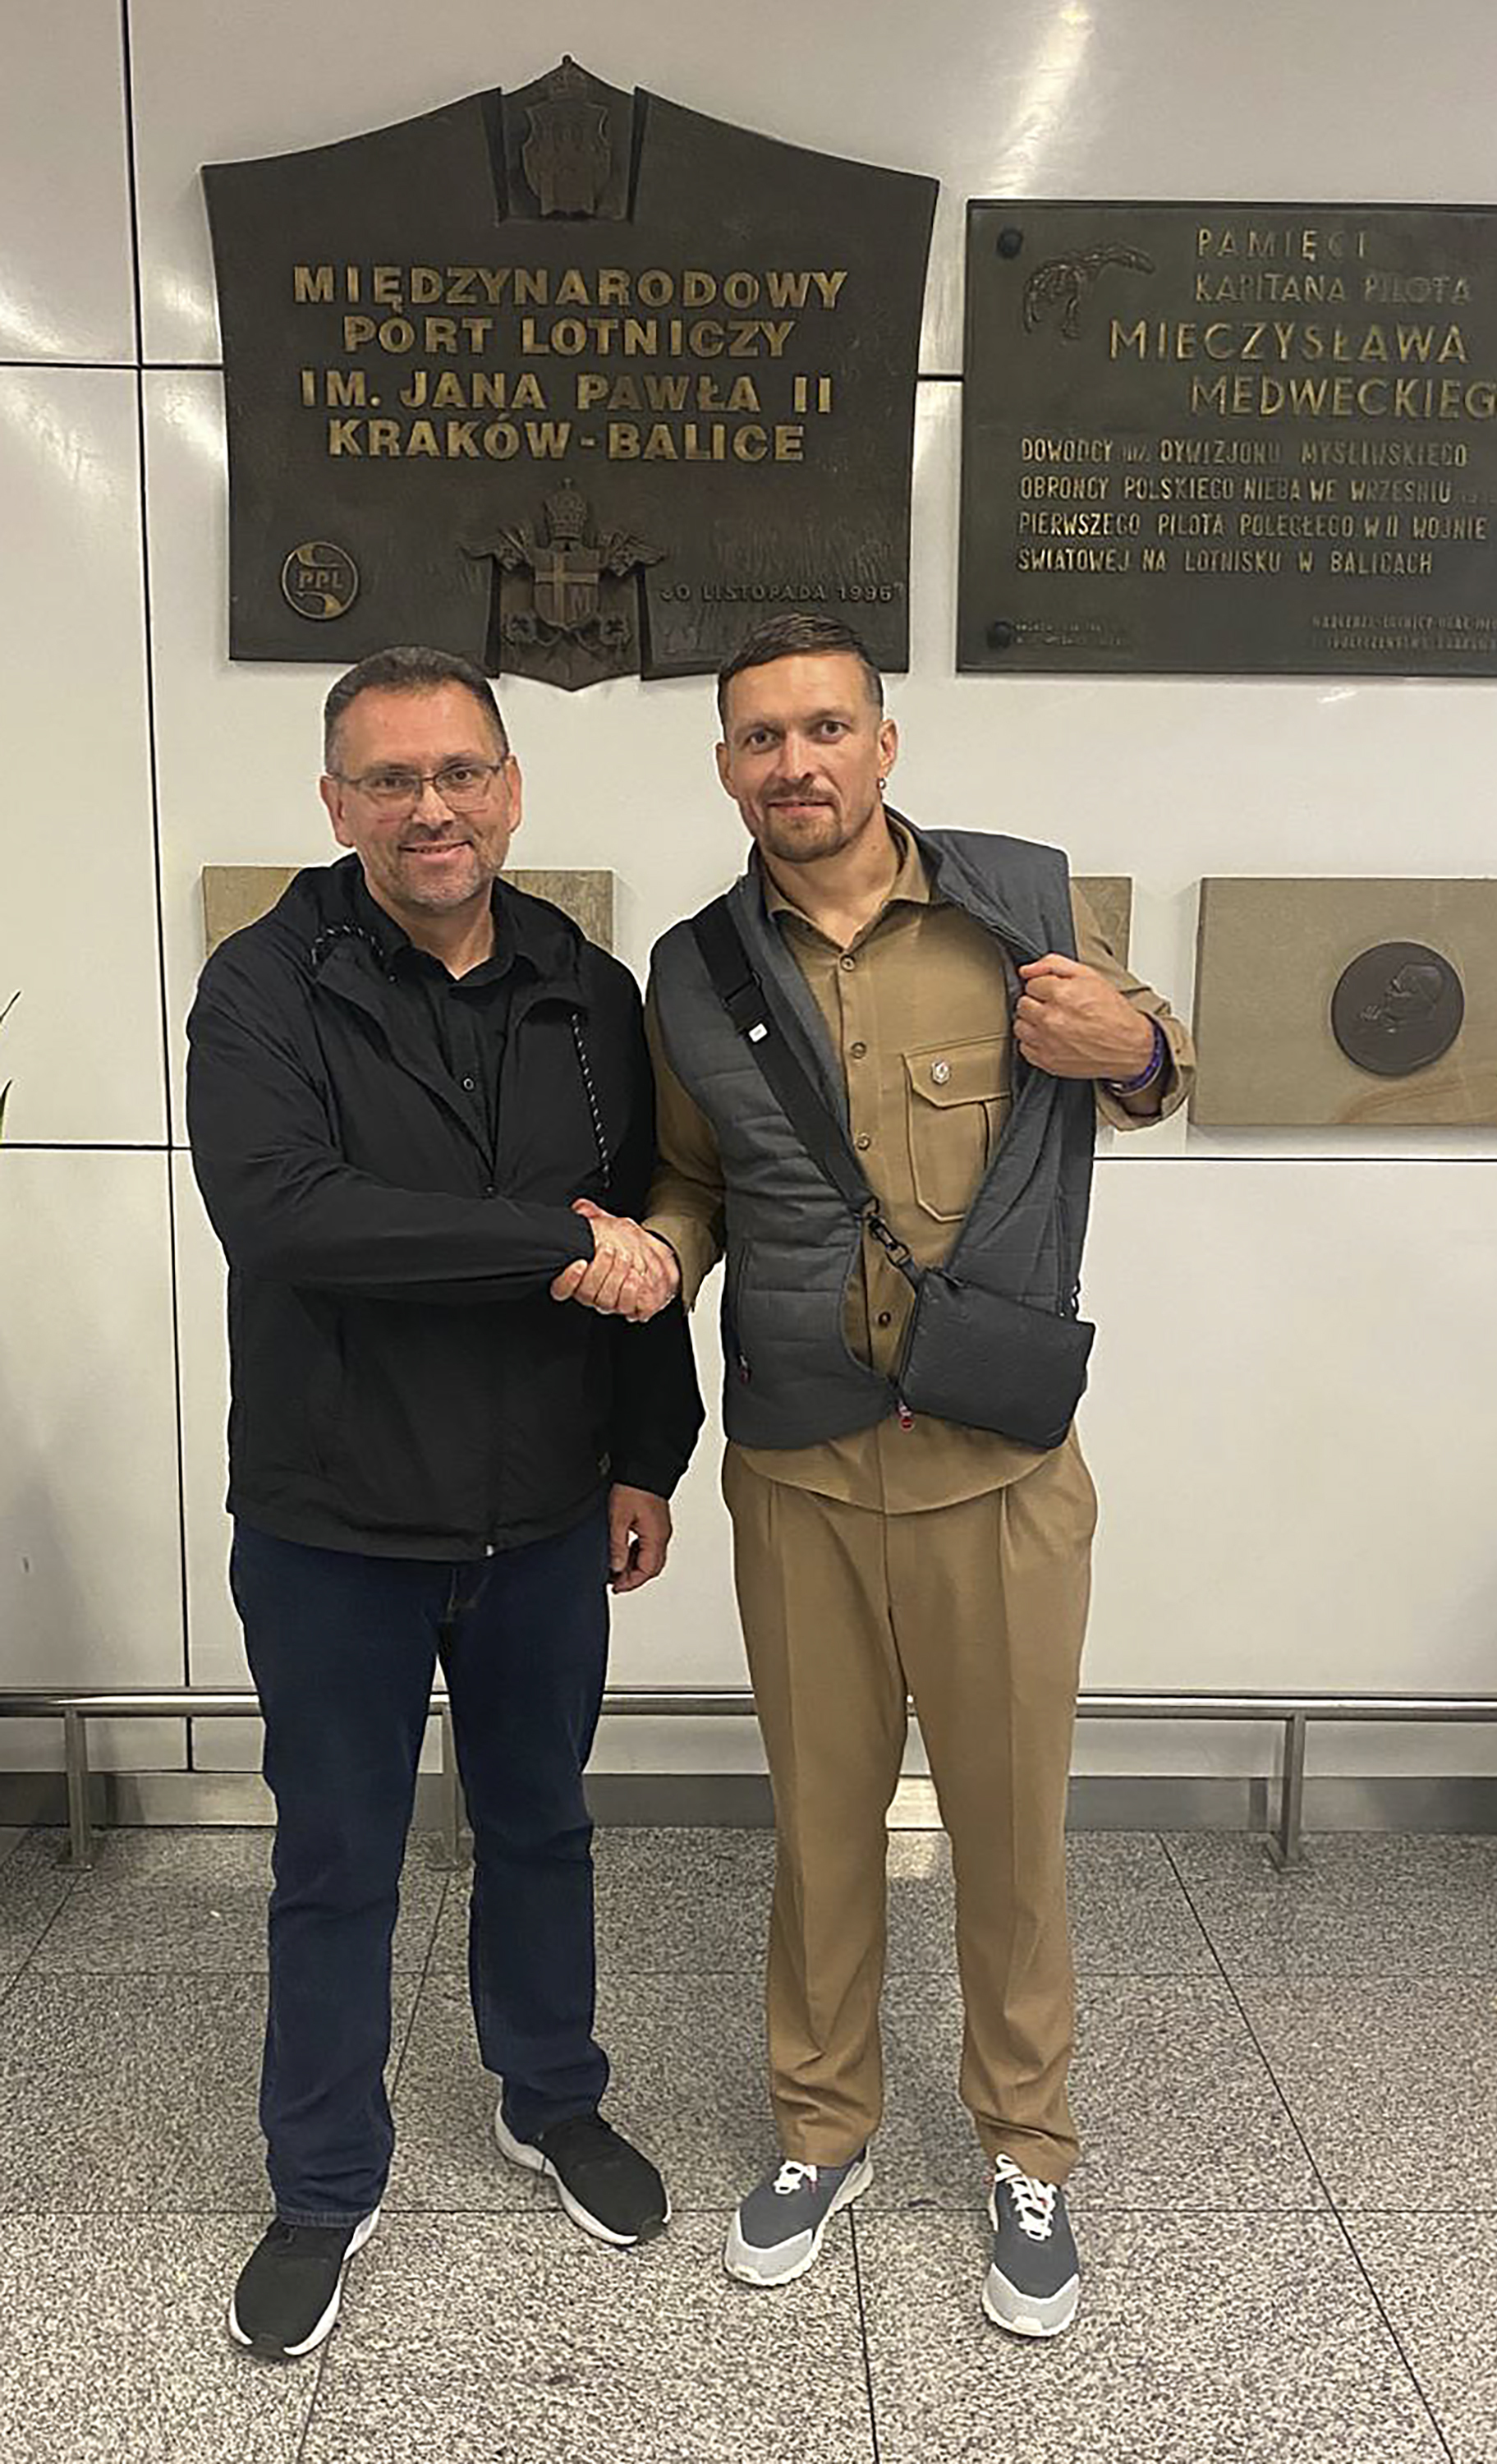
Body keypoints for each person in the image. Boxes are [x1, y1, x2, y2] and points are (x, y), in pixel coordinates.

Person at [555, 612, 1193, 2339]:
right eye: (762, 739)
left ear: (884, 745)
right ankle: (820, 2129)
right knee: (824, 1832)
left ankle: (1026, 2148)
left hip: (998, 1478)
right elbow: (696, 1190)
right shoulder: (693, 972)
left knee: (1009, 1839)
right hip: (808, 1482)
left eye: (826, 728)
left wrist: (1126, 1051)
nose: (797, 764)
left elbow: (1163, 1068)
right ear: (726, 769)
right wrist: (649, 1253)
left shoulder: (1024, 914)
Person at [187, 645, 700, 2361]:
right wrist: (549, 1242)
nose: (431, 808)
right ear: (336, 804)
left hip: (546, 1509)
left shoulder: (585, 985)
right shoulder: (266, 986)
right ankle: (324, 2178)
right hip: (333, 1519)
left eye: (460, 772)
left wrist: (646, 1454)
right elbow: (294, 1218)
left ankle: (549, 2095)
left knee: (543, 1825)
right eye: (390, 779)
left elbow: (643, 1230)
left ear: (511, 789)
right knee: (338, 1862)